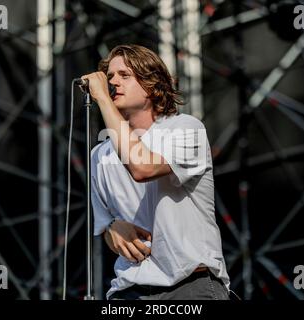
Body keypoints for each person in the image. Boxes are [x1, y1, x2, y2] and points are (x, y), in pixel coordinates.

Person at [82, 44, 230, 300]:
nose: (113, 82)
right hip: (128, 290)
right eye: (109, 77)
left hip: (189, 286)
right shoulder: (99, 155)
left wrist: (103, 99)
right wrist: (114, 230)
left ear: (152, 84)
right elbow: (106, 226)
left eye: (124, 75)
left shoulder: (185, 129)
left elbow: (142, 167)